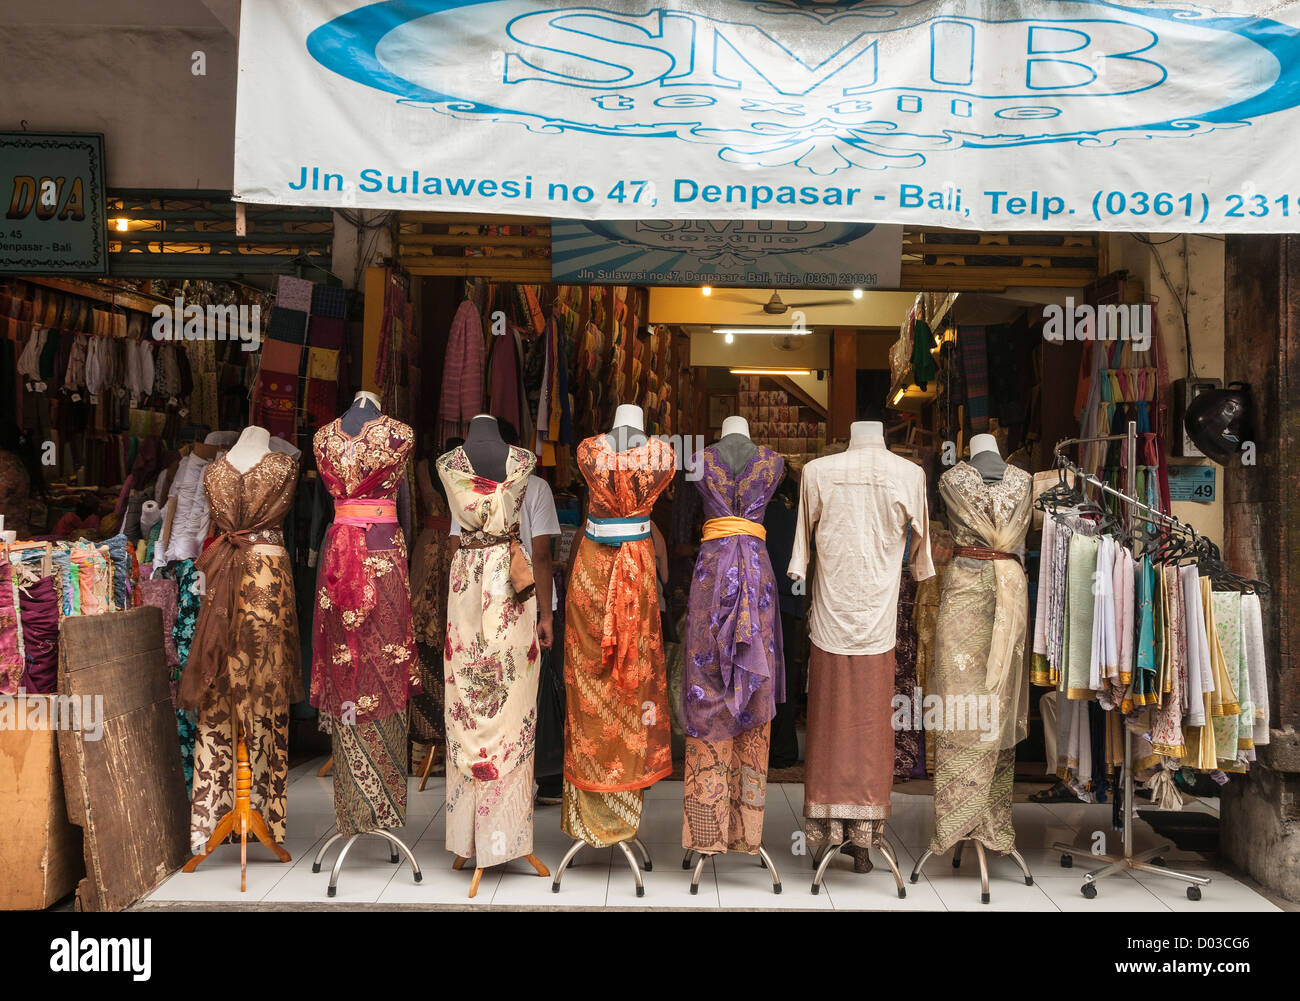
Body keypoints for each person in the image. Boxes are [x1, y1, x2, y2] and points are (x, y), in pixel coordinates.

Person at [448, 418, 562, 802]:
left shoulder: (461, 485)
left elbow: (455, 548)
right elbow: (543, 554)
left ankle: (477, 799)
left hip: (470, 600)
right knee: (518, 702)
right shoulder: (537, 485)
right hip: (522, 601)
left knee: (474, 697)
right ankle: (515, 796)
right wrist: (547, 615)